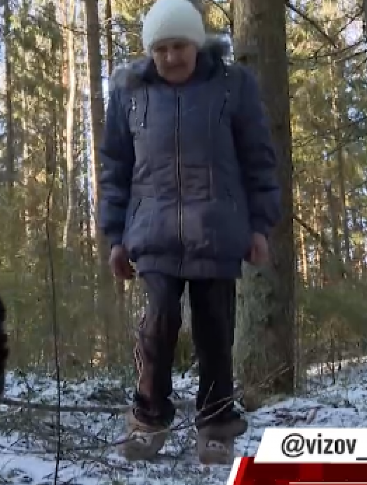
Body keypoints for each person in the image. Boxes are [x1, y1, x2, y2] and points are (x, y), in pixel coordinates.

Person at [97, 0, 282, 466]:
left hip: (218, 231)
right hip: (152, 232)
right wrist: (114, 237)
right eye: (161, 49)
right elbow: (115, 170)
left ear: (196, 44)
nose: (171, 57)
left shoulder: (231, 87)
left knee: (215, 331)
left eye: (179, 46)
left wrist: (260, 227)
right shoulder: (129, 93)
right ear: (149, 51)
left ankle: (217, 425)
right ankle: (147, 419)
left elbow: (259, 160)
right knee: (156, 328)